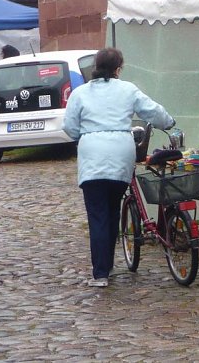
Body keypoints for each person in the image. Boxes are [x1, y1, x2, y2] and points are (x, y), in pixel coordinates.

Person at [63, 47, 175, 288]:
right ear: (118, 69)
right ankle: (109, 263)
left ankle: (101, 272)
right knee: (113, 208)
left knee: (97, 215)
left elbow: (70, 126)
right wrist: (169, 122)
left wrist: (85, 135)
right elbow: (153, 111)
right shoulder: (127, 90)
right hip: (120, 153)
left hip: (92, 155)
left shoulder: (80, 93)